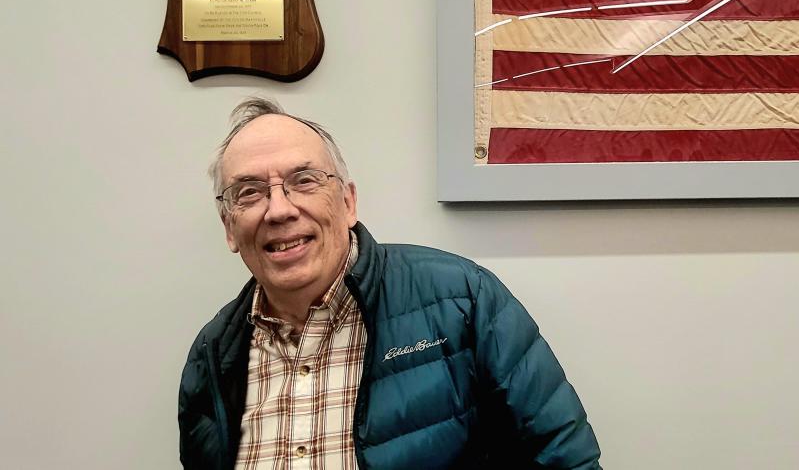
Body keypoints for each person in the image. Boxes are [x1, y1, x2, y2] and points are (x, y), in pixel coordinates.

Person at [178, 97, 602, 469]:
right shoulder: (213, 355)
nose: (279, 210)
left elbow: (566, 459)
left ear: (348, 203)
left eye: (303, 181)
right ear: (229, 227)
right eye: (249, 192)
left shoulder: (462, 301)